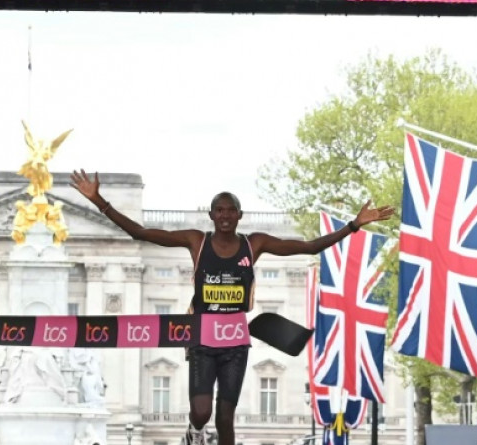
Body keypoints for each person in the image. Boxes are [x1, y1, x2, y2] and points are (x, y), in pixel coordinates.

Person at [70, 170, 393, 445]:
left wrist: (353, 225)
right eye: (219, 211)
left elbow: (309, 246)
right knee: (201, 411)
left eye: (230, 210)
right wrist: (99, 200)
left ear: (239, 215)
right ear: (211, 216)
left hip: (235, 342)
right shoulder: (197, 241)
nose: (224, 216)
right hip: (200, 340)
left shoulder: (256, 244)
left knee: (226, 419)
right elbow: (139, 232)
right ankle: (194, 431)